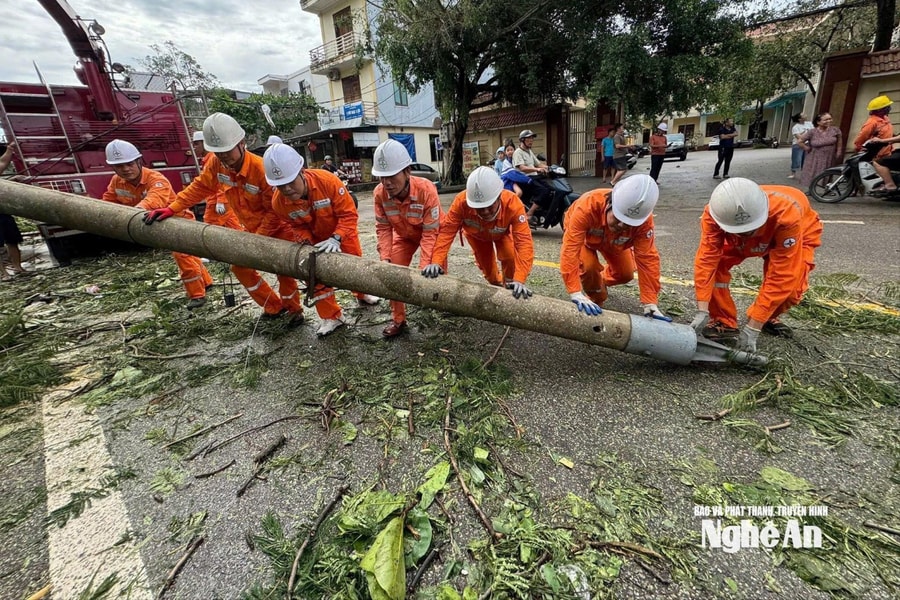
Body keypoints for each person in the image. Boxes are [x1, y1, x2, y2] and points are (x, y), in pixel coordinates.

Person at [143, 113, 303, 321]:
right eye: (218, 153)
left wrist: (260, 236)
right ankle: (273, 307)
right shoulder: (217, 165)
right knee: (240, 267)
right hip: (251, 231)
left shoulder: (260, 169)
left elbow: (275, 210)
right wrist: (173, 208)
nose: (223, 157)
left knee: (284, 272)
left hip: (279, 230)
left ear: (242, 143)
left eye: (227, 151)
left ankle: (293, 310)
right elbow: (200, 186)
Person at [690, 178, 823, 353]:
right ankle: (723, 320)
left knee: (791, 290)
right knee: (716, 268)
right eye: (740, 232)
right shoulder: (717, 214)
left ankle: (767, 317)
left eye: (748, 231)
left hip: (794, 231)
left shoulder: (787, 216)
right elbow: (707, 260)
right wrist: (702, 309)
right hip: (741, 228)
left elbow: (782, 275)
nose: (745, 235)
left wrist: (754, 327)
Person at [263, 143, 380, 337]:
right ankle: (332, 316)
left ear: (301, 171)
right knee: (314, 277)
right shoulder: (279, 202)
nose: (287, 188)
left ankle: (362, 294)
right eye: (280, 185)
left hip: (341, 233)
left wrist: (336, 238)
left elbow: (348, 214)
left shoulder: (327, 181)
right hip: (314, 240)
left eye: (291, 181)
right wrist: (307, 242)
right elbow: (296, 225)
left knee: (354, 265)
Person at [101, 139, 213, 309]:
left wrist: (135, 211)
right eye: (119, 166)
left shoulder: (156, 179)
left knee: (182, 256)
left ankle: (197, 295)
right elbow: (109, 201)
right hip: (157, 222)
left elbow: (155, 199)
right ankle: (206, 282)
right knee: (190, 255)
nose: (125, 169)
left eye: (129, 164)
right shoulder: (116, 182)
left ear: (139, 161)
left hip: (179, 220)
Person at [559, 174, 668, 320]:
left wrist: (650, 302)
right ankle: (596, 296)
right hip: (585, 238)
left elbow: (648, 259)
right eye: (618, 218)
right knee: (589, 267)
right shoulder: (588, 205)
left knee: (626, 274)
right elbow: (570, 249)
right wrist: (575, 291)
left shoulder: (643, 222)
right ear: (610, 204)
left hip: (616, 242)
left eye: (628, 223)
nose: (622, 226)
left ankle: (599, 281)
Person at [422, 166, 534, 301]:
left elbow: (524, 244)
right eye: (480, 208)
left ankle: (511, 288)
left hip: (501, 234)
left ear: (499, 196)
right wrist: (436, 262)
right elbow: (447, 232)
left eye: (490, 206)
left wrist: (519, 280)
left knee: (509, 256)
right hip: (477, 237)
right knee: (489, 272)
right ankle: (496, 283)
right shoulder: (461, 202)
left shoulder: (513, 204)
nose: (485, 211)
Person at [371, 139, 443, 338]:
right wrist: (384, 258)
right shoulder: (379, 194)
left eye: (391, 176)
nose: (386, 183)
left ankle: (439, 301)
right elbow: (383, 229)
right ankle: (398, 319)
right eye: (381, 177)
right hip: (404, 236)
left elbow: (430, 233)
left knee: (434, 272)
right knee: (393, 271)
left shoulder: (426, 190)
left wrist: (425, 265)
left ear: (407, 171)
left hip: (433, 234)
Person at [191, 131, 240, 228]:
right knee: (233, 224)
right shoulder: (208, 159)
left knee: (210, 227)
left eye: (196, 144)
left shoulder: (213, 159)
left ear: (204, 143)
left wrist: (220, 200)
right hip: (218, 200)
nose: (194, 147)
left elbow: (223, 180)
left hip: (216, 201)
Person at [856, 95, 898, 192]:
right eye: (887, 107)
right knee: (878, 165)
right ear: (880, 110)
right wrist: (858, 147)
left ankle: (887, 185)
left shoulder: (885, 119)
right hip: (876, 150)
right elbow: (862, 136)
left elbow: (888, 133)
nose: (890, 109)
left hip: (887, 149)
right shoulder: (872, 122)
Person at [512, 129, 552, 224]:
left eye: (532, 138)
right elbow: (522, 168)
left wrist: (551, 168)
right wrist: (537, 170)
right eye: (528, 138)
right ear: (522, 140)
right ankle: (530, 213)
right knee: (544, 190)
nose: (531, 140)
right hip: (525, 179)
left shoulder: (529, 151)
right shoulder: (518, 152)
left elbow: (538, 164)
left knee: (551, 189)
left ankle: (543, 209)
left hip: (534, 177)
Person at [0, 141, 27, 279]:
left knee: (12, 240)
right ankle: (3, 274)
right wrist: (9, 150)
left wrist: (13, 179)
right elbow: (2, 163)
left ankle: (17, 267)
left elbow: (2, 163)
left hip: (3, 212)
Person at [797, 112, 843, 190]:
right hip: (814, 157)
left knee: (827, 173)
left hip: (829, 156)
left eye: (830, 119)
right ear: (818, 122)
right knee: (812, 173)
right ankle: (811, 190)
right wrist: (806, 148)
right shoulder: (812, 132)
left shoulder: (835, 130)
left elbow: (839, 142)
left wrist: (839, 151)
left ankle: (828, 189)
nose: (829, 121)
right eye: (825, 120)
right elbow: (800, 141)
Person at [789, 113, 813, 178]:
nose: (806, 115)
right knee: (796, 159)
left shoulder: (809, 124)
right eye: (803, 115)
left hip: (808, 144)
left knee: (805, 159)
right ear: (800, 119)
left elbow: (813, 132)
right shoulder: (795, 127)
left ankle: (804, 173)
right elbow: (799, 137)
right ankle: (793, 173)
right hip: (797, 145)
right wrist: (807, 134)